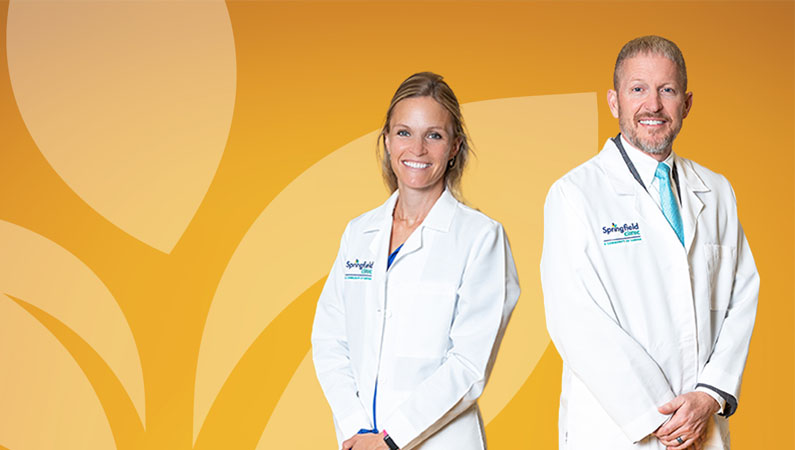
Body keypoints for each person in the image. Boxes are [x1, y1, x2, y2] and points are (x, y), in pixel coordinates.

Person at [541, 36, 759, 450]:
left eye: (668, 90)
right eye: (638, 89)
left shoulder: (716, 191)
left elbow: (742, 298)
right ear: (614, 101)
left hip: (703, 421)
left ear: (687, 103)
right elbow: (576, 320)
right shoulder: (575, 194)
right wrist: (665, 417)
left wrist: (708, 395)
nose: (653, 106)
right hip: (619, 430)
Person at [312, 72, 520, 450]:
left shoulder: (480, 237)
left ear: (455, 146)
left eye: (434, 135)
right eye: (405, 132)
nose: (418, 149)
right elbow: (330, 339)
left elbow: (468, 366)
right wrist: (354, 428)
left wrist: (391, 440)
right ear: (387, 140)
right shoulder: (359, 233)